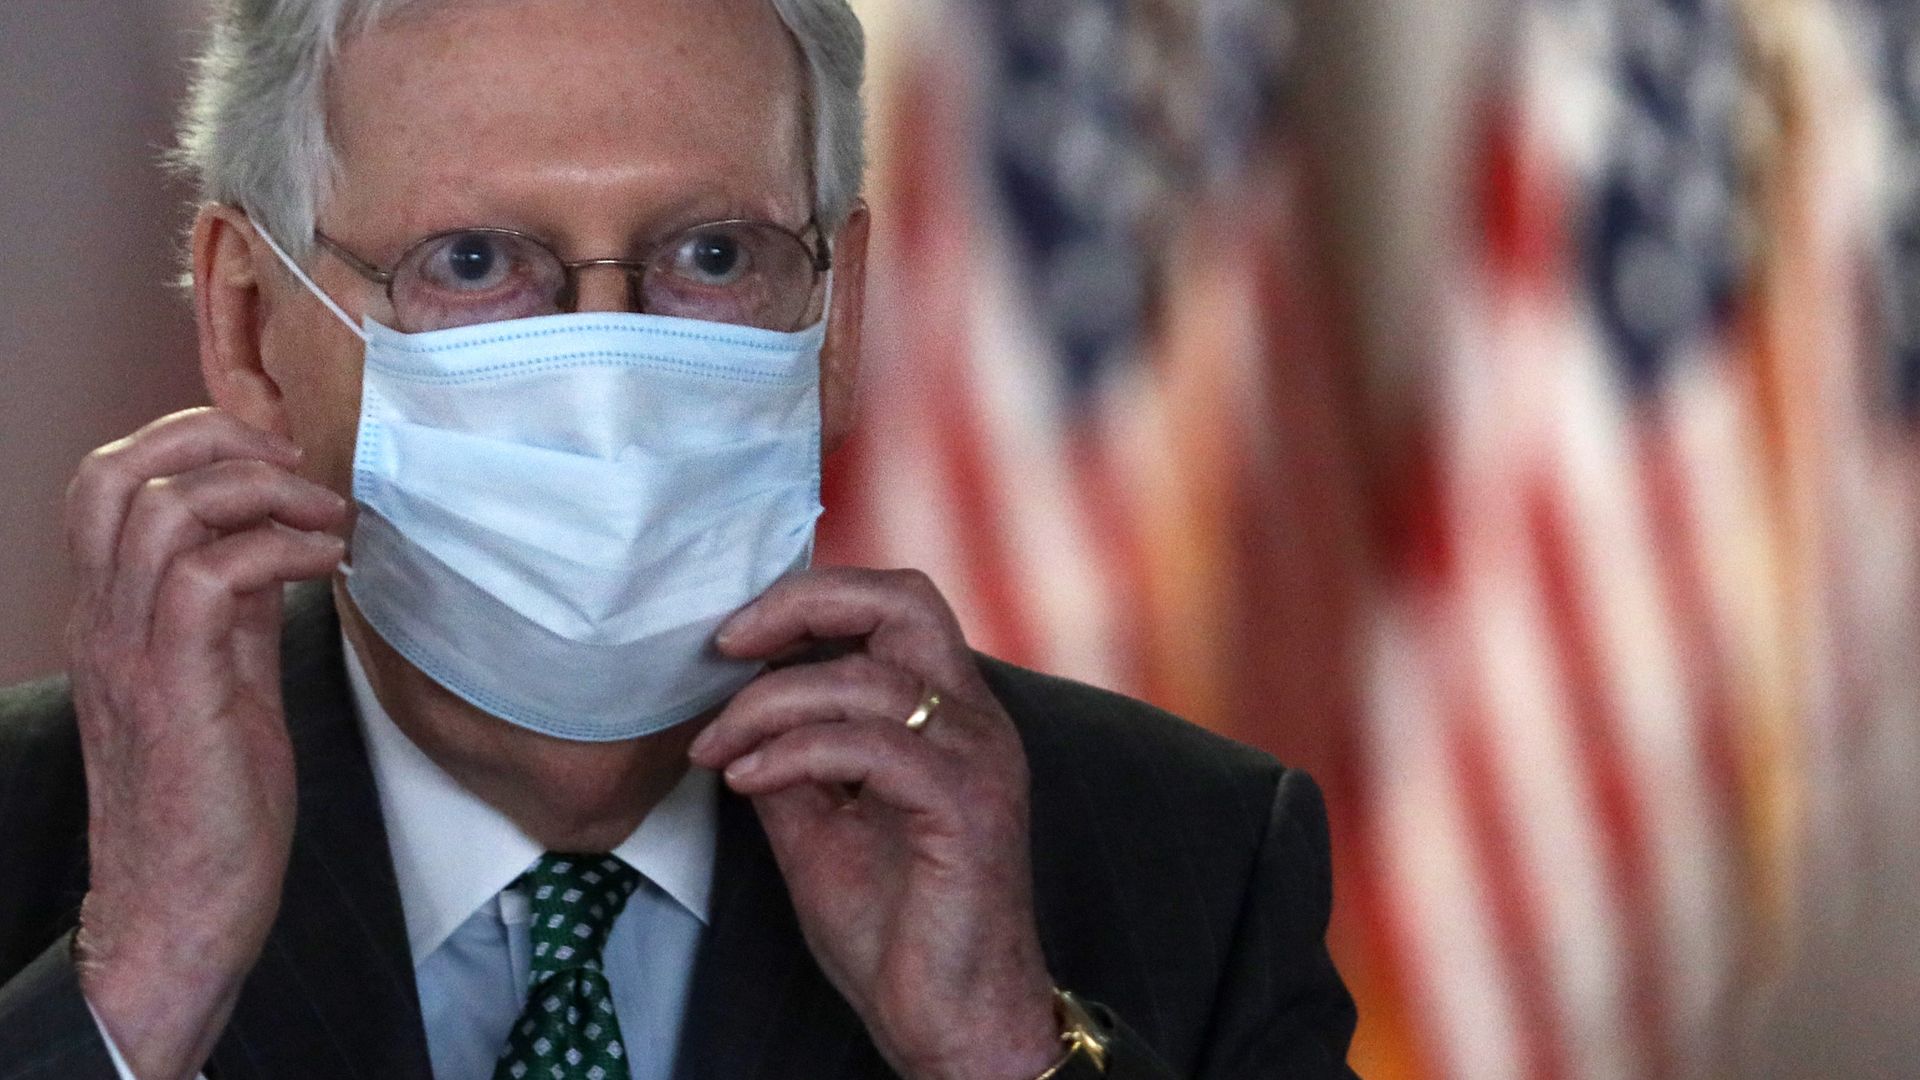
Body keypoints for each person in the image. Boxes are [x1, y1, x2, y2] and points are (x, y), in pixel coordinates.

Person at [0, 0, 1359, 1077]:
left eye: (712, 255)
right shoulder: (32, 837)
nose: (610, 363)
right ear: (246, 322)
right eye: (475, 260)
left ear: (842, 314)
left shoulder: (1190, 857)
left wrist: (1004, 1052)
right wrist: (140, 992)